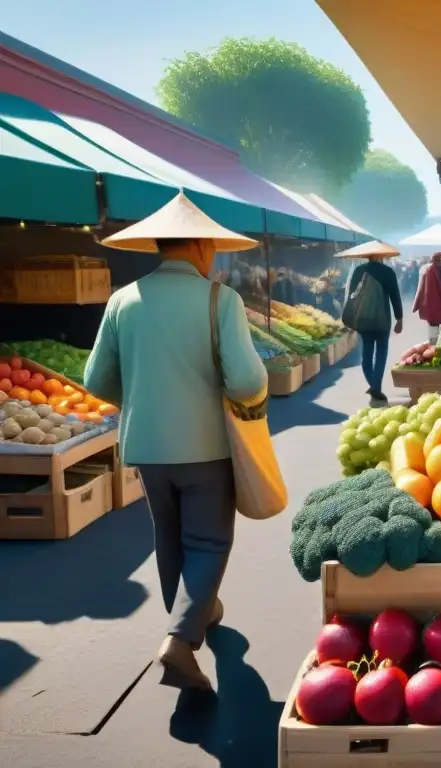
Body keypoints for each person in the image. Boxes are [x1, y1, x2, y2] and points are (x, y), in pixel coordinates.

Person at [83, 192, 269, 691]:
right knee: (208, 541)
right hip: (205, 444)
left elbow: (95, 379)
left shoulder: (122, 300)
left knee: (169, 538)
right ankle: (179, 641)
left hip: (146, 445)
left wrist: (145, 394)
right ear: (204, 247)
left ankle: (198, 614)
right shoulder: (220, 300)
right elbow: (249, 382)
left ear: (159, 246)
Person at [342, 240, 404, 405]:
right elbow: (394, 296)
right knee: (381, 353)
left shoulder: (358, 271)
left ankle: (372, 383)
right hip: (382, 320)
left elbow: (352, 296)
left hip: (363, 319)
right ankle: (376, 386)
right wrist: (399, 318)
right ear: (381, 255)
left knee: (367, 353)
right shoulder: (387, 272)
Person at [413, 251, 441, 344]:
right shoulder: (431, 270)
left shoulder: (440, 269)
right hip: (437, 301)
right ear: (436, 260)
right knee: (435, 323)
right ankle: (434, 343)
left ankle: (440, 341)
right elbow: (429, 291)